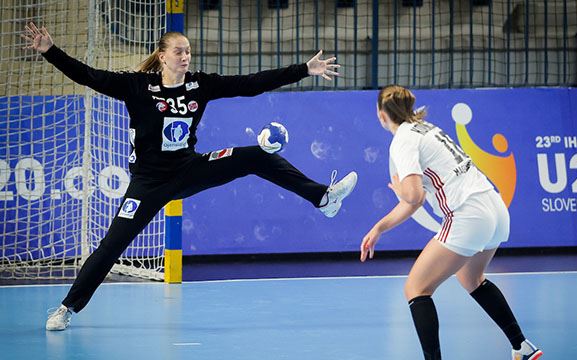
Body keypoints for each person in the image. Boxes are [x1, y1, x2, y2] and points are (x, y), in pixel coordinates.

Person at [22, 22, 358, 331]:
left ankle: (323, 198)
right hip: (148, 183)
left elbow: (251, 84)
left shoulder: (201, 85)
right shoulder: (137, 86)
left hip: (189, 169)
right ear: (162, 56)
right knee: (111, 246)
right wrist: (51, 51)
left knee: (257, 155)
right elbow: (88, 76)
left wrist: (304, 69)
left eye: (188, 51)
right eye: (179, 51)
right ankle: (66, 308)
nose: (186, 56)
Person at [360, 85, 542, 360]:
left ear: (381, 114)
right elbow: (416, 199)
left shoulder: (403, 140)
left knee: (416, 288)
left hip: (467, 214)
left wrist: (400, 191)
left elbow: (414, 197)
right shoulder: (426, 128)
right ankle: (522, 346)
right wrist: (379, 228)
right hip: (494, 207)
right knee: (471, 278)